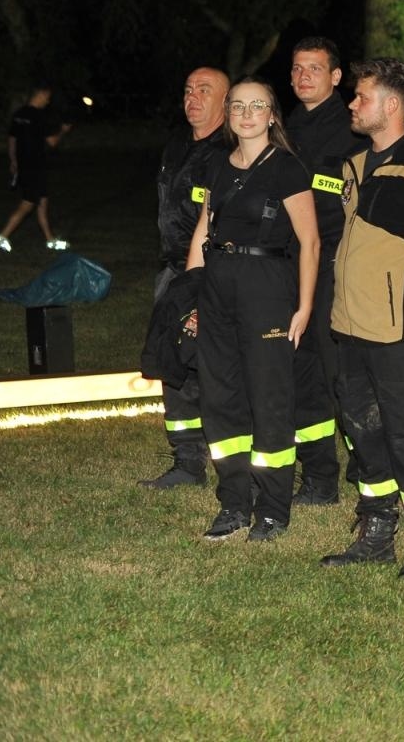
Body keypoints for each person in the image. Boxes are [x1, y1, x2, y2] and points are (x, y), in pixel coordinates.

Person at [320, 59, 404, 578]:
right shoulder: (353, 165)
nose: (352, 105)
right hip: (349, 325)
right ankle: (377, 526)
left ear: (392, 105)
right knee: (361, 429)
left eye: (361, 97)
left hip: (403, 329)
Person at [185, 77, 321, 541]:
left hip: (267, 288)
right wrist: (189, 297)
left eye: (256, 105)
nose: (246, 113)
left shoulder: (287, 169)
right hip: (218, 285)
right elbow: (204, 231)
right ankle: (233, 503)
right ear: (228, 113)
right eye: (237, 105)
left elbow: (310, 242)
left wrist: (303, 306)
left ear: (271, 115)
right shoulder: (218, 167)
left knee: (269, 399)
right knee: (220, 398)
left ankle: (273, 508)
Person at [139, 66, 230, 489]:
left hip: (212, 273)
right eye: (188, 89)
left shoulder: (230, 150)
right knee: (172, 364)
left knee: (213, 366)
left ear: (225, 101)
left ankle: (232, 459)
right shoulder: (176, 145)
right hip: (171, 270)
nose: (192, 97)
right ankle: (186, 461)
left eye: (204, 90)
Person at [286, 36, 365, 506]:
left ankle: (366, 463)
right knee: (303, 369)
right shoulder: (287, 125)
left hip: (335, 259)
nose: (303, 77)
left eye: (314, 69)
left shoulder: (353, 128)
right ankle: (318, 475)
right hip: (292, 260)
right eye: (296, 69)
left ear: (336, 77)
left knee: (339, 370)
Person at [0, 81, 74, 252]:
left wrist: (13, 160)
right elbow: (52, 142)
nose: (48, 102)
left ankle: (50, 240)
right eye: (48, 98)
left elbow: (12, 139)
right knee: (29, 202)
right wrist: (63, 131)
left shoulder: (19, 114)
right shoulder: (39, 116)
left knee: (42, 202)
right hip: (35, 165)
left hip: (26, 164)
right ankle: (2, 236)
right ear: (41, 95)